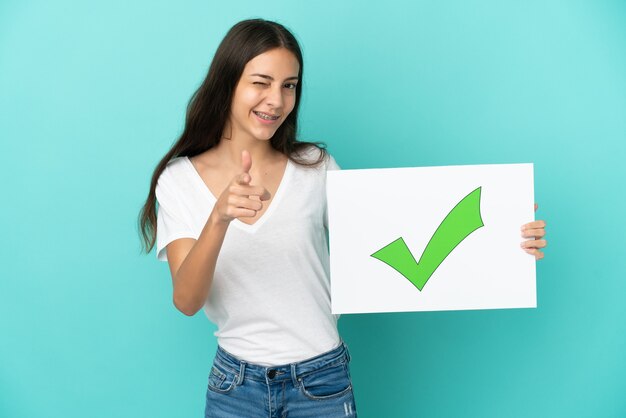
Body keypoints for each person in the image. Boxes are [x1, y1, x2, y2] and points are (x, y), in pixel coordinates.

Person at [138, 18, 547, 418]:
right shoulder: (179, 181)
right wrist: (219, 217)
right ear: (227, 84)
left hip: (321, 384)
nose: (276, 101)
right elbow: (187, 300)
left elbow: (402, 248)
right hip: (235, 387)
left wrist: (502, 237)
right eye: (260, 83)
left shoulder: (316, 167)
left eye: (289, 86)